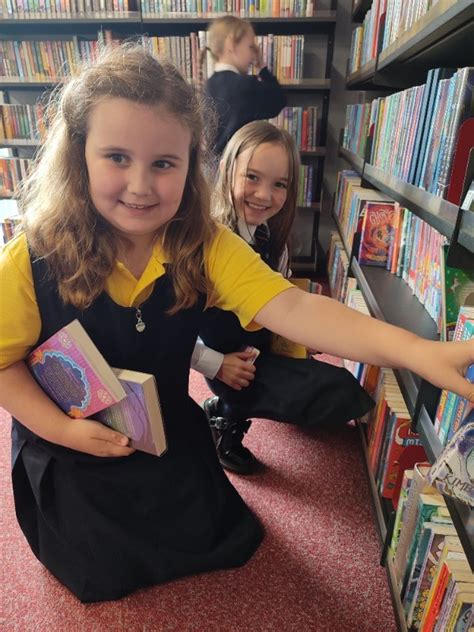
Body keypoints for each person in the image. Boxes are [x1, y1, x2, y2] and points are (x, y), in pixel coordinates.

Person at [0, 45, 472, 605]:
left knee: (218, 536)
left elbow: (295, 308)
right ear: (78, 157)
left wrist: (417, 352)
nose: (141, 185)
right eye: (117, 157)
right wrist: (65, 432)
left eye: (164, 163)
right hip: (67, 435)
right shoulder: (30, 258)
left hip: (164, 426)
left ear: (193, 162)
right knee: (99, 567)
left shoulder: (204, 244)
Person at [192, 120, 375, 474]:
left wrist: (298, 334)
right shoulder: (210, 247)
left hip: (263, 346)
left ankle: (227, 406)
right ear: (228, 172)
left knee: (340, 389)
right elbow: (170, 333)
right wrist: (217, 364)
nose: (264, 195)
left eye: (279, 185)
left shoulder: (268, 235)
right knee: (335, 393)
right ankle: (227, 422)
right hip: (232, 365)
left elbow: (284, 294)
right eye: (252, 178)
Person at [202, 15, 286, 155]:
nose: (253, 55)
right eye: (251, 47)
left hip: (213, 171)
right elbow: (278, 100)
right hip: (240, 165)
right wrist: (261, 67)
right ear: (231, 45)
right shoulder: (246, 85)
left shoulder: (206, 86)